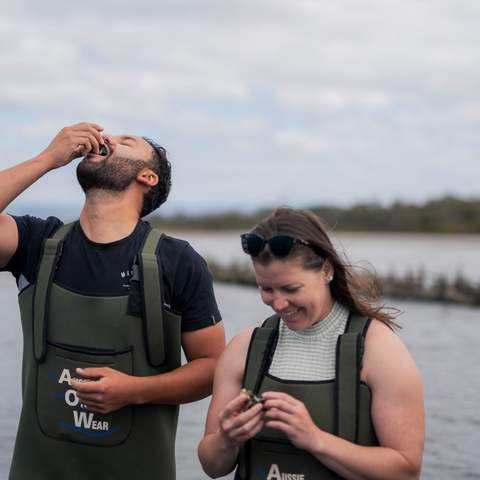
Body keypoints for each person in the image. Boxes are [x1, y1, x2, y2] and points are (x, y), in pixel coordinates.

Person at [0, 122, 225, 480]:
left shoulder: (178, 261)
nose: (106, 139)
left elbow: (213, 367)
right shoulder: (36, 243)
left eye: (126, 142)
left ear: (147, 177)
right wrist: (47, 159)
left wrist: (135, 391)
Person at [198, 208, 424, 480]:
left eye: (291, 289)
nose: (279, 304)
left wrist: (315, 439)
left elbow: (406, 471)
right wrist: (226, 438)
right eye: (266, 289)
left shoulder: (379, 350)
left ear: (326, 270)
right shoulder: (244, 347)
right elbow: (212, 466)